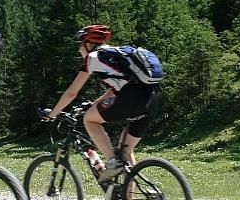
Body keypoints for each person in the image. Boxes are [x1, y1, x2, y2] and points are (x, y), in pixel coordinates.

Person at [44, 25, 160, 182]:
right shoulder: (119, 56)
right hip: (151, 98)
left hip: (131, 97)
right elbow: (116, 90)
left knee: (89, 119)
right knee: (125, 153)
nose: (79, 50)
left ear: (88, 43)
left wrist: (52, 114)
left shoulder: (92, 58)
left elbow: (72, 93)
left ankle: (112, 163)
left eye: (80, 44)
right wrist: (95, 103)